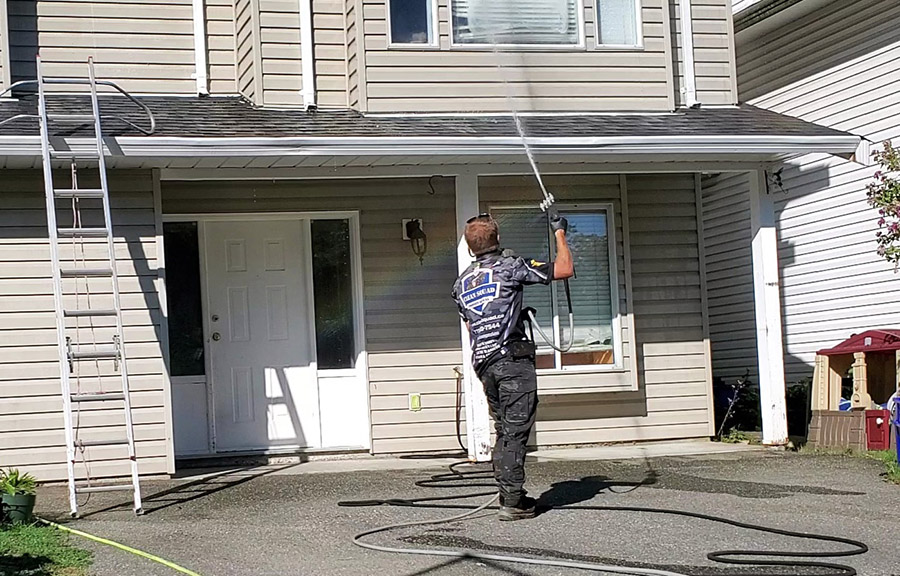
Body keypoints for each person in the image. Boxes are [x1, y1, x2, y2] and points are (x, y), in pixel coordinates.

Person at [451, 212, 574, 521]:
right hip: (511, 361)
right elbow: (564, 269)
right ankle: (512, 503)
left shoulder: (461, 283)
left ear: (469, 248)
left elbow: (471, 327)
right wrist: (560, 234)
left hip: (484, 363)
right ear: (497, 240)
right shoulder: (510, 267)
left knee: (504, 429)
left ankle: (511, 494)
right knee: (516, 432)